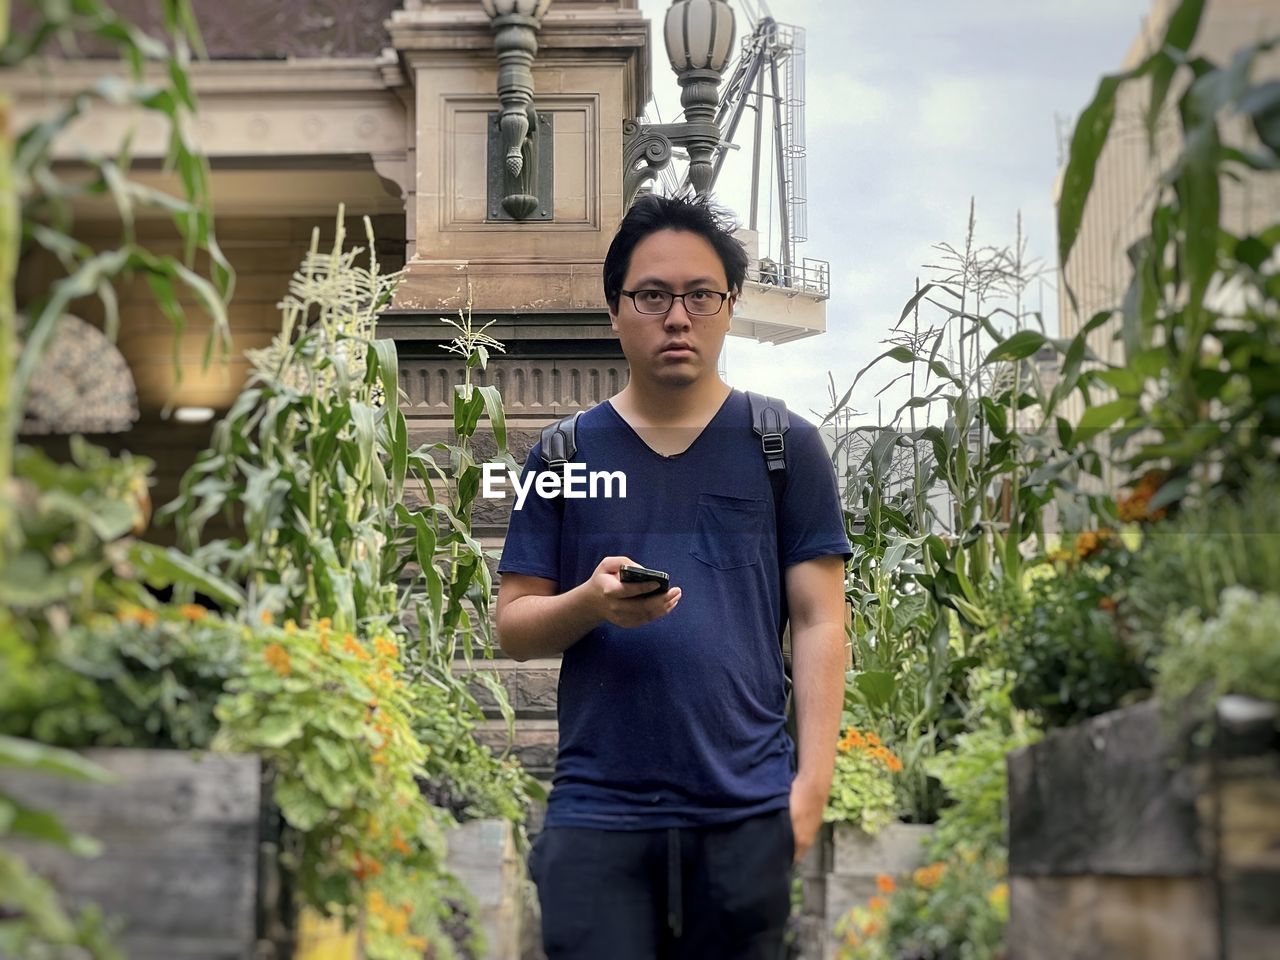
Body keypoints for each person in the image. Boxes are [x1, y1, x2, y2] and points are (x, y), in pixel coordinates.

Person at [495, 194, 851, 960]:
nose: (677, 317)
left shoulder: (783, 447)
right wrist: (590, 603)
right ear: (615, 309)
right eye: (652, 295)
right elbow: (513, 623)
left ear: (729, 307)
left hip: (746, 812)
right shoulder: (563, 458)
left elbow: (822, 620)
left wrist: (810, 791)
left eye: (701, 295)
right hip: (597, 818)